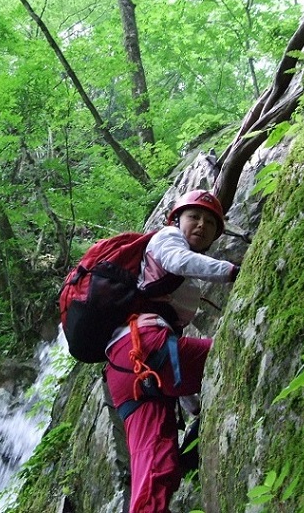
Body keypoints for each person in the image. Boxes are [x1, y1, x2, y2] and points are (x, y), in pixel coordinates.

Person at [103, 189, 239, 513]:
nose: (201, 226)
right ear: (177, 219)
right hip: (143, 350)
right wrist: (233, 271)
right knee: (235, 351)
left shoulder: (171, 276)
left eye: (210, 223)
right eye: (194, 217)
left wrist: (195, 408)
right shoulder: (167, 239)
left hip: (128, 372)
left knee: (156, 467)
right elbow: (179, 261)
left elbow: (176, 365)